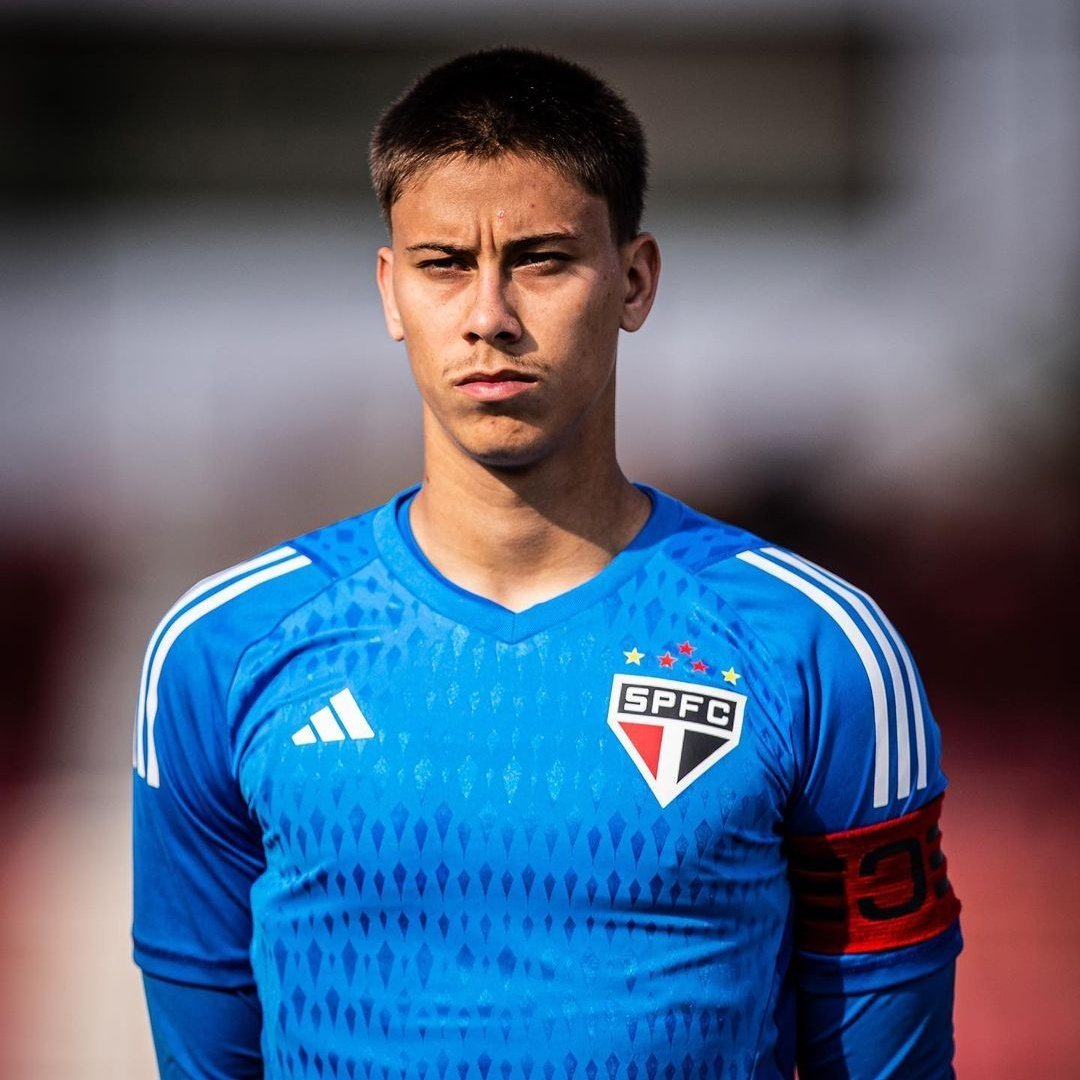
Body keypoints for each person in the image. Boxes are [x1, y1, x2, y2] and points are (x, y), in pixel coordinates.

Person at [132, 47, 961, 1079]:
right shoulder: (224, 650)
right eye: (444, 265)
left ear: (634, 280)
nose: (489, 317)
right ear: (391, 291)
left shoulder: (820, 649)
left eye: (541, 260)